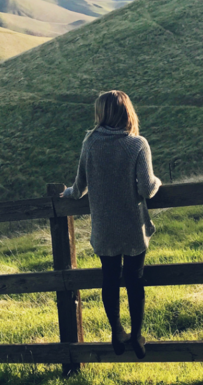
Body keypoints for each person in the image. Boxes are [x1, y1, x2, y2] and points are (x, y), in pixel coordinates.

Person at [60, 90, 162, 359]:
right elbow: (147, 188)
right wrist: (159, 182)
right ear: (127, 112)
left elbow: (79, 187)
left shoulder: (90, 143)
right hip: (132, 226)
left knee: (109, 279)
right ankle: (137, 336)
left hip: (104, 227)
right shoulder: (137, 144)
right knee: (134, 280)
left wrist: (67, 193)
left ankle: (116, 332)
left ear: (102, 113)